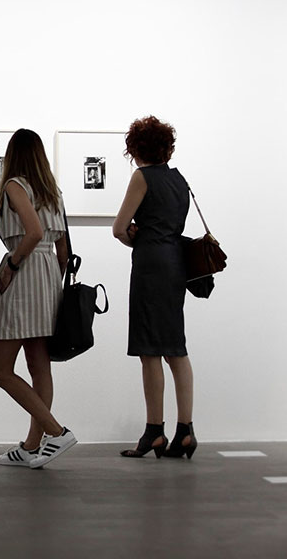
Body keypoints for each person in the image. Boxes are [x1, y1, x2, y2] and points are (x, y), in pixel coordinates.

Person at [0, 129, 76, 469]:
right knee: (39, 367)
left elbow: (34, 231)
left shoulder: (14, 187)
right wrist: (50, 275)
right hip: (48, 274)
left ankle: (56, 431)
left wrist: (12, 263)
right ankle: (31, 446)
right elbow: (63, 250)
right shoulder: (53, 192)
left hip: (23, 272)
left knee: (0, 370)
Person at [113, 116, 197, 459]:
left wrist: (137, 235)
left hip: (150, 266)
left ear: (135, 148)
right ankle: (186, 431)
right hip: (176, 264)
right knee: (175, 347)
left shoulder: (141, 176)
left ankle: (154, 432)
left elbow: (119, 228)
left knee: (150, 350)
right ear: (167, 147)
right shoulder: (180, 181)